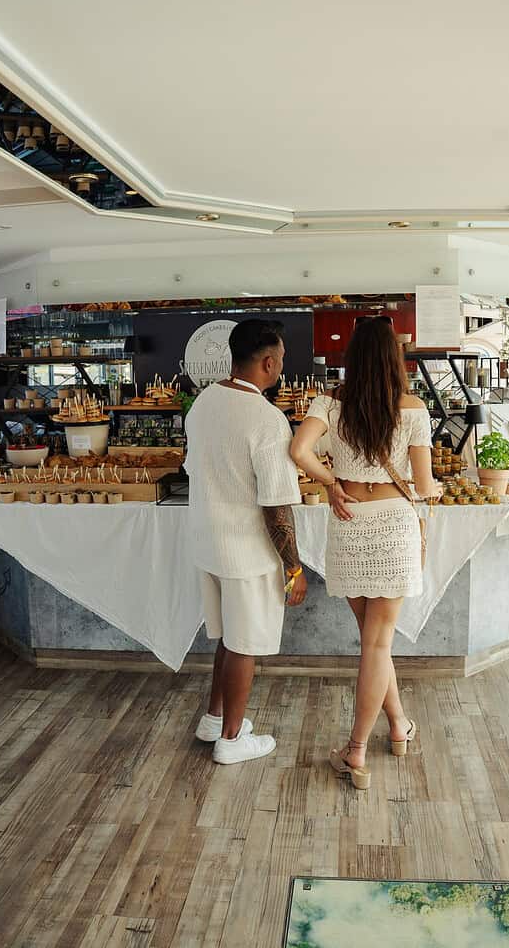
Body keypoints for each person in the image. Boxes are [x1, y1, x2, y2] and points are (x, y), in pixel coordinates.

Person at [290, 317, 441, 790]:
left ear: (352, 356)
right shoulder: (413, 408)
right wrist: (434, 490)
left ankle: (398, 726)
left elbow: (298, 450)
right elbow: (423, 485)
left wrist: (331, 482)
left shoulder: (329, 403)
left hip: (351, 521)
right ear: (396, 359)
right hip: (394, 524)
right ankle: (356, 750)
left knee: (374, 641)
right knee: (378, 644)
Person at [185, 318, 307, 765]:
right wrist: (293, 567)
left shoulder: (203, 403)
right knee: (244, 644)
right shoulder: (267, 419)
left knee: (229, 637)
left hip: (208, 542)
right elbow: (277, 506)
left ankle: (215, 718)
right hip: (246, 550)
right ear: (270, 362)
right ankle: (232, 742)